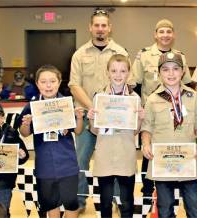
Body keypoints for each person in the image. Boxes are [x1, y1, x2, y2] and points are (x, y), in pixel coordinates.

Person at [68, 9, 129, 212]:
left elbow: (126, 81)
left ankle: (118, 200)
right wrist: (93, 107)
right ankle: (80, 201)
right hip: (88, 117)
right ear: (90, 27)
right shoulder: (79, 54)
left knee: (116, 159)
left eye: (104, 25)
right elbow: (74, 85)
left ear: (109, 28)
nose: (100, 29)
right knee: (80, 160)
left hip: (115, 119)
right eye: (97, 25)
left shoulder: (120, 52)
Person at [130, 18, 191, 197]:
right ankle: (147, 188)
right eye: (161, 31)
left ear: (173, 35)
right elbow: (135, 84)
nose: (165, 35)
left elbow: (187, 85)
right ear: (155, 34)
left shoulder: (181, 56)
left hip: (175, 113)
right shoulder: (144, 55)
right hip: (152, 112)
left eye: (168, 31)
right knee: (148, 150)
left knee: (173, 149)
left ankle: (174, 182)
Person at [141, 51, 197, 217]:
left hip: (187, 160)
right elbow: (147, 127)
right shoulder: (152, 99)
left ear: (183, 71)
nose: (171, 73)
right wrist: (146, 143)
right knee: (165, 208)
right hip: (163, 162)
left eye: (175, 69)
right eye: (166, 69)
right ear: (159, 72)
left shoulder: (193, 97)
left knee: (195, 207)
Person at [19, 65, 84, 218]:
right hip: (45, 165)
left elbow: (78, 131)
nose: (48, 85)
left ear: (59, 82)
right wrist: (26, 123)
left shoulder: (67, 104)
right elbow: (24, 133)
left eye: (52, 81)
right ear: (37, 84)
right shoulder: (32, 106)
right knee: (50, 204)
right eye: (43, 82)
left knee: (71, 204)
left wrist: (80, 117)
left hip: (67, 164)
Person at [87, 54, 144, 217]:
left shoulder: (134, 98)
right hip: (105, 154)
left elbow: (135, 131)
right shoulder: (99, 98)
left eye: (122, 71)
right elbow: (95, 131)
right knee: (105, 203)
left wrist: (139, 119)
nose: (118, 75)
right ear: (107, 72)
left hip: (126, 153)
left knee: (127, 202)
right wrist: (92, 119)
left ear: (129, 73)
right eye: (114, 71)